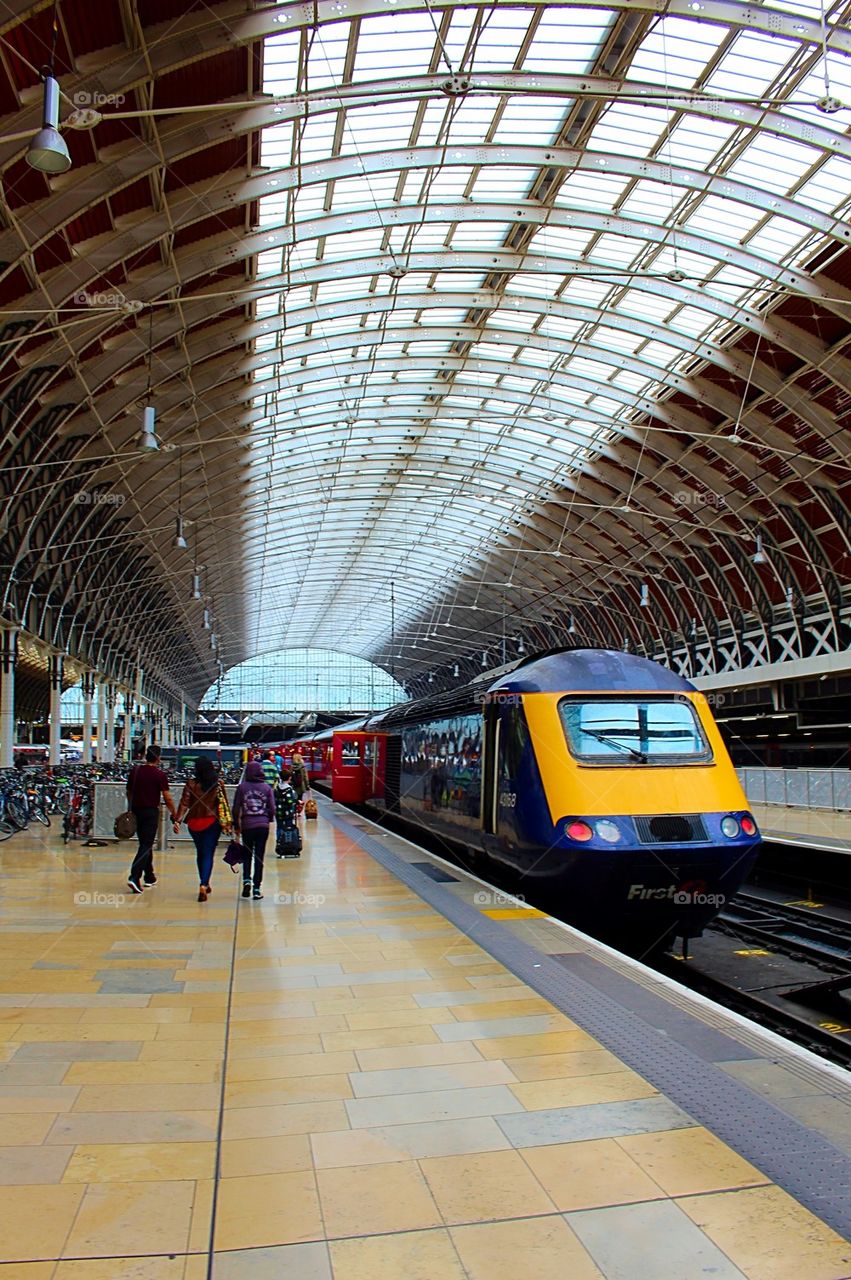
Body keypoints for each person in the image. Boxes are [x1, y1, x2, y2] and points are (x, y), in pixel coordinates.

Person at [127, 745, 176, 893]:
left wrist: (132, 806)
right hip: (150, 812)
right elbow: (167, 797)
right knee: (146, 845)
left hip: (136, 811)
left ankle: (149, 876)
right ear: (158, 758)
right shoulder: (159, 775)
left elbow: (128, 791)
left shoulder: (135, 771)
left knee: (144, 843)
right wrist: (174, 813)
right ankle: (134, 877)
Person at [173, 757, 222, 902]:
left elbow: (184, 803)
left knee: (200, 853)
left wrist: (178, 820)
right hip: (212, 822)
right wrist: (229, 823)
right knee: (208, 853)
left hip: (194, 823)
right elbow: (222, 805)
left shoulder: (191, 784)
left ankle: (204, 881)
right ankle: (204, 883)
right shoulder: (217, 784)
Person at [232, 760, 275, 900]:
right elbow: (272, 808)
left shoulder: (242, 787)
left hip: (247, 826)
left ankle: (246, 880)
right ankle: (257, 889)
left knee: (247, 854)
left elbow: (236, 808)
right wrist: (268, 819)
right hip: (262, 826)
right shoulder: (267, 788)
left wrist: (236, 825)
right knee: (259, 857)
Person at [275, 767, 300, 857]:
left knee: (279, 828)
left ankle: (279, 844)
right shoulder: (289, 789)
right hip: (287, 813)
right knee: (288, 828)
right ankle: (288, 845)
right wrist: (296, 802)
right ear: (289, 778)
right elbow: (289, 801)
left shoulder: (277, 788)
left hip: (278, 812)